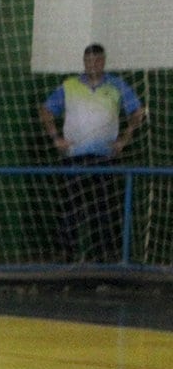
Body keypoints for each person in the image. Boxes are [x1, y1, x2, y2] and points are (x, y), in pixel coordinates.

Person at [38, 43, 147, 263]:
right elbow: (46, 110)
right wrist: (56, 138)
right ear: (83, 62)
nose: (92, 65)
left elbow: (138, 111)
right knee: (70, 210)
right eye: (88, 61)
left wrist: (123, 140)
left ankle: (105, 258)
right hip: (74, 158)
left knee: (104, 211)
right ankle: (66, 256)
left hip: (104, 158)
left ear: (103, 61)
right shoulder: (69, 86)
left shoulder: (117, 86)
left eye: (97, 60)